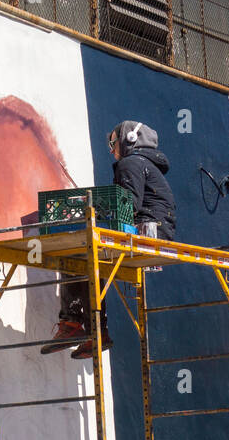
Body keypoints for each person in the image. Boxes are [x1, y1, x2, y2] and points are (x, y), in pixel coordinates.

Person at [43, 120, 177, 358]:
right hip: (154, 230)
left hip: (145, 230)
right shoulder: (141, 164)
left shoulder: (130, 163)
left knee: (79, 254)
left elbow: (129, 205)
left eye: (113, 143)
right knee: (86, 258)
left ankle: (77, 325)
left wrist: (94, 206)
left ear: (129, 140)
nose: (111, 149)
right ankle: (90, 328)